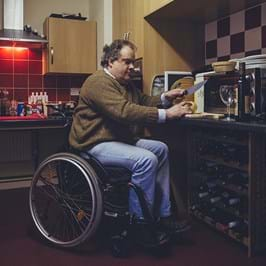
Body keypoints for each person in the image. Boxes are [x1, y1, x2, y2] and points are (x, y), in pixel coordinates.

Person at [69, 39, 192, 248]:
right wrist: (167, 114)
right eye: (127, 62)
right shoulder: (97, 82)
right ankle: (140, 224)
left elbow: (142, 101)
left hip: (115, 140)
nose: (132, 67)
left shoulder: (125, 84)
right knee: (146, 159)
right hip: (93, 144)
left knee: (160, 149)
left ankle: (162, 216)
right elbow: (124, 111)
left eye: (132, 62)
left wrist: (165, 96)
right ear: (110, 62)